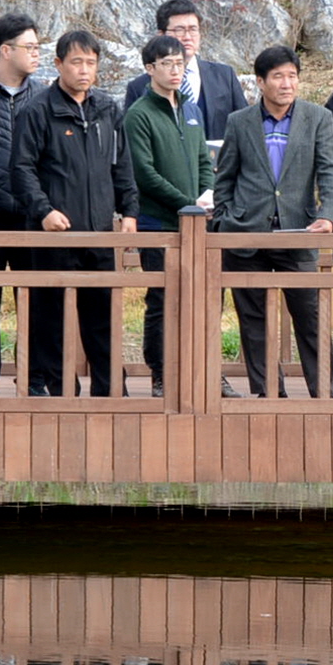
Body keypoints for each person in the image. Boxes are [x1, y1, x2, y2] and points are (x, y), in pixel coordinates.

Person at [14, 29, 141, 396]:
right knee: (50, 315)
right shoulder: (38, 109)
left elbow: (122, 166)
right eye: (76, 62)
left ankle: (110, 388)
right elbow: (21, 169)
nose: (84, 70)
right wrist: (44, 211)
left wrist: (129, 210)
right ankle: (59, 386)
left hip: (100, 230)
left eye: (91, 63)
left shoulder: (107, 108)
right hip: (54, 232)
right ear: (58, 65)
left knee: (102, 315)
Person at [213, 45, 333, 398]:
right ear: (260, 82)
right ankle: (268, 392)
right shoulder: (239, 121)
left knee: (311, 317)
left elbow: (331, 171)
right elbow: (225, 178)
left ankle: (325, 394)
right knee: (254, 321)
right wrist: (225, 218)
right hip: (246, 233)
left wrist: (328, 214)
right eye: (278, 76)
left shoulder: (318, 118)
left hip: (298, 230)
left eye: (293, 76)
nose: (287, 84)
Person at [122, 35, 214, 395]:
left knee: (199, 298)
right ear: (150, 69)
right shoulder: (138, 115)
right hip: (159, 223)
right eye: (167, 64)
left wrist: (204, 198)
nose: (176, 70)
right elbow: (143, 173)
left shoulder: (191, 109)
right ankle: (160, 371)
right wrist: (186, 203)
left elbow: (205, 161)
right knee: (162, 300)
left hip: (196, 222)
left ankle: (199, 370)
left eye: (180, 64)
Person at [0, 12, 43, 394]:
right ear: (5, 50)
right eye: (28, 47)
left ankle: (33, 379)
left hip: (34, 217)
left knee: (34, 300)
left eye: (38, 47)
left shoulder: (47, 97)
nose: (35, 54)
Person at [121, 0, 248, 139]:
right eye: (179, 30)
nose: (187, 37)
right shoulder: (139, 87)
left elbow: (245, 126)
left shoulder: (224, 76)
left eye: (193, 29)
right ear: (161, 35)